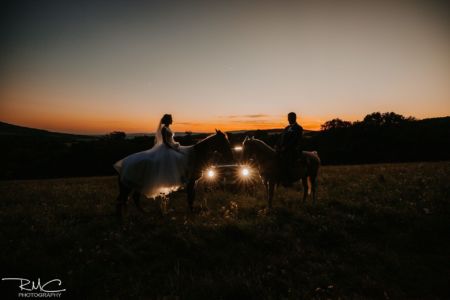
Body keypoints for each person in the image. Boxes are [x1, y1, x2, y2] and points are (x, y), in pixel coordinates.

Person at [114, 114, 192, 198]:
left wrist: (175, 145)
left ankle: (182, 178)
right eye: (171, 119)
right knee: (178, 158)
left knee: (181, 156)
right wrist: (173, 147)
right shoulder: (164, 129)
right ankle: (177, 180)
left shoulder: (168, 128)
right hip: (166, 148)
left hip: (170, 147)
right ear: (167, 120)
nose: (172, 120)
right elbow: (165, 142)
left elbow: (171, 140)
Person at [277, 112, 303, 185]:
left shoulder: (299, 128)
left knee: (286, 159)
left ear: (294, 118)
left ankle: (288, 179)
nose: (288, 119)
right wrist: (277, 145)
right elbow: (281, 138)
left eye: (290, 118)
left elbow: (295, 140)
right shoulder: (287, 128)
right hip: (283, 149)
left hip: (293, 149)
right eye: (288, 118)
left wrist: (286, 147)